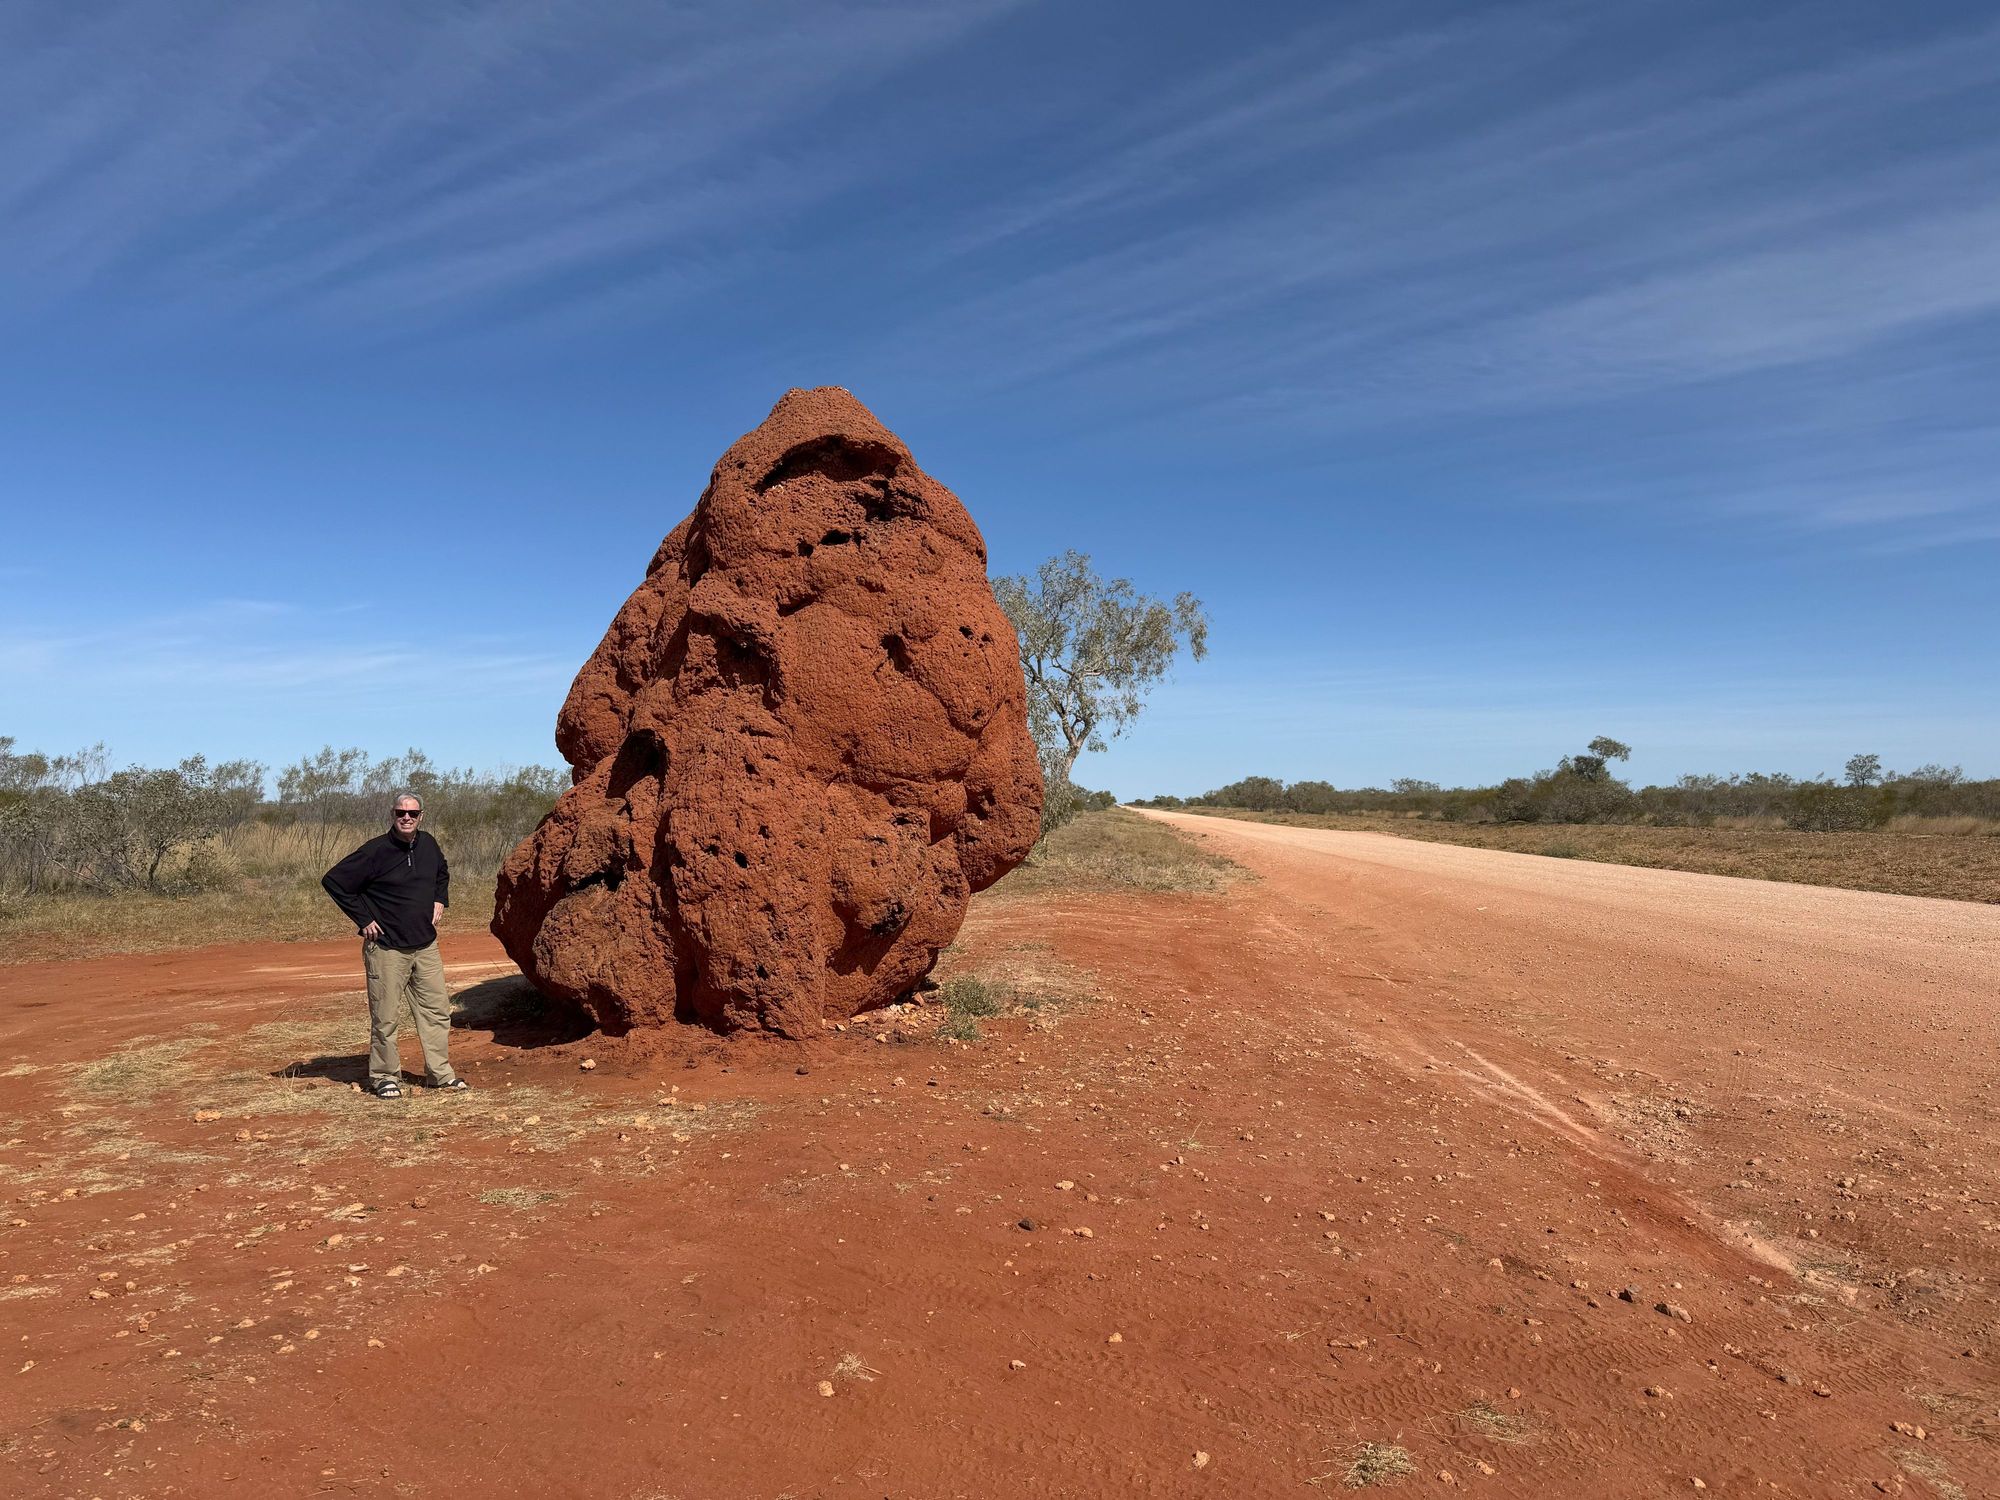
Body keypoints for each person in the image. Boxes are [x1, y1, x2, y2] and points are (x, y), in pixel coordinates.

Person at [321, 793, 464, 1099]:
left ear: (421, 816)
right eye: (401, 812)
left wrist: (440, 898)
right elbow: (334, 881)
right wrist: (363, 919)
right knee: (385, 1017)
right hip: (387, 948)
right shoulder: (375, 851)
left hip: (425, 945)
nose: (406, 818)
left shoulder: (429, 844)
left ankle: (440, 1074)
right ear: (392, 815)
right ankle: (384, 1077)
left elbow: (442, 871)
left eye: (412, 813)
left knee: (437, 1012)